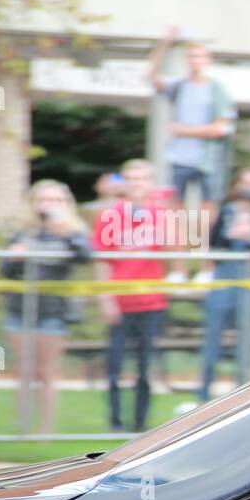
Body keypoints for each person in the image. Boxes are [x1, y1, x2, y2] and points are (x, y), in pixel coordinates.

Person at [0, 180, 92, 435]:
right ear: (33, 204)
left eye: (56, 200)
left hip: (53, 311)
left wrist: (67, 235)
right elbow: (5, 270)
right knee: (24, 370)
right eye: (44, 200)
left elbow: (86, 256)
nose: (49, 205)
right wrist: (13, 257)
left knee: (46, 372)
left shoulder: (73, 231)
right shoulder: (23, 232)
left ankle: (45, 431)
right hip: (20, 309)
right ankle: (22, 429)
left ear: (65, 204)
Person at [93, 159, 171, 432]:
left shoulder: (161, 214)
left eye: (143, 178)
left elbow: (177, 251)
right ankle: (115, 422)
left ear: (150, 183)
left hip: (151, 302)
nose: (137, 184)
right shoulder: (109, 215)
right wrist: (105, 298)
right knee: (114, 366)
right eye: (132, 178)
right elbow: (102, 260)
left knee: (144, 365)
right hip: (120, 301)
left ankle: (140, 423)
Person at [146, 25, 236, 220]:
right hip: (180, 157)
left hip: (208, 159)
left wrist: (183, 130)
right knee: (177, 204)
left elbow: (220, 128)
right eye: (191, 56)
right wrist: (165, 43)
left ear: (208, 60)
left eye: (199, 56)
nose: (195, 60)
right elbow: (151, 76)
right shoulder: (179, 86)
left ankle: (200, 245)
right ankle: (182, 246)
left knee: (208, 203)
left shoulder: (217, 90)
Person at [198, 167, 250, 400]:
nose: (249, 188)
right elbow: (215, 245)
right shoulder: (226, 210)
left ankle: (244, 391)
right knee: (213, 335)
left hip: (249, 280)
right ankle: (203, 391)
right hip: (224, 278)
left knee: (247, 338)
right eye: (246, 182)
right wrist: (232, 233)